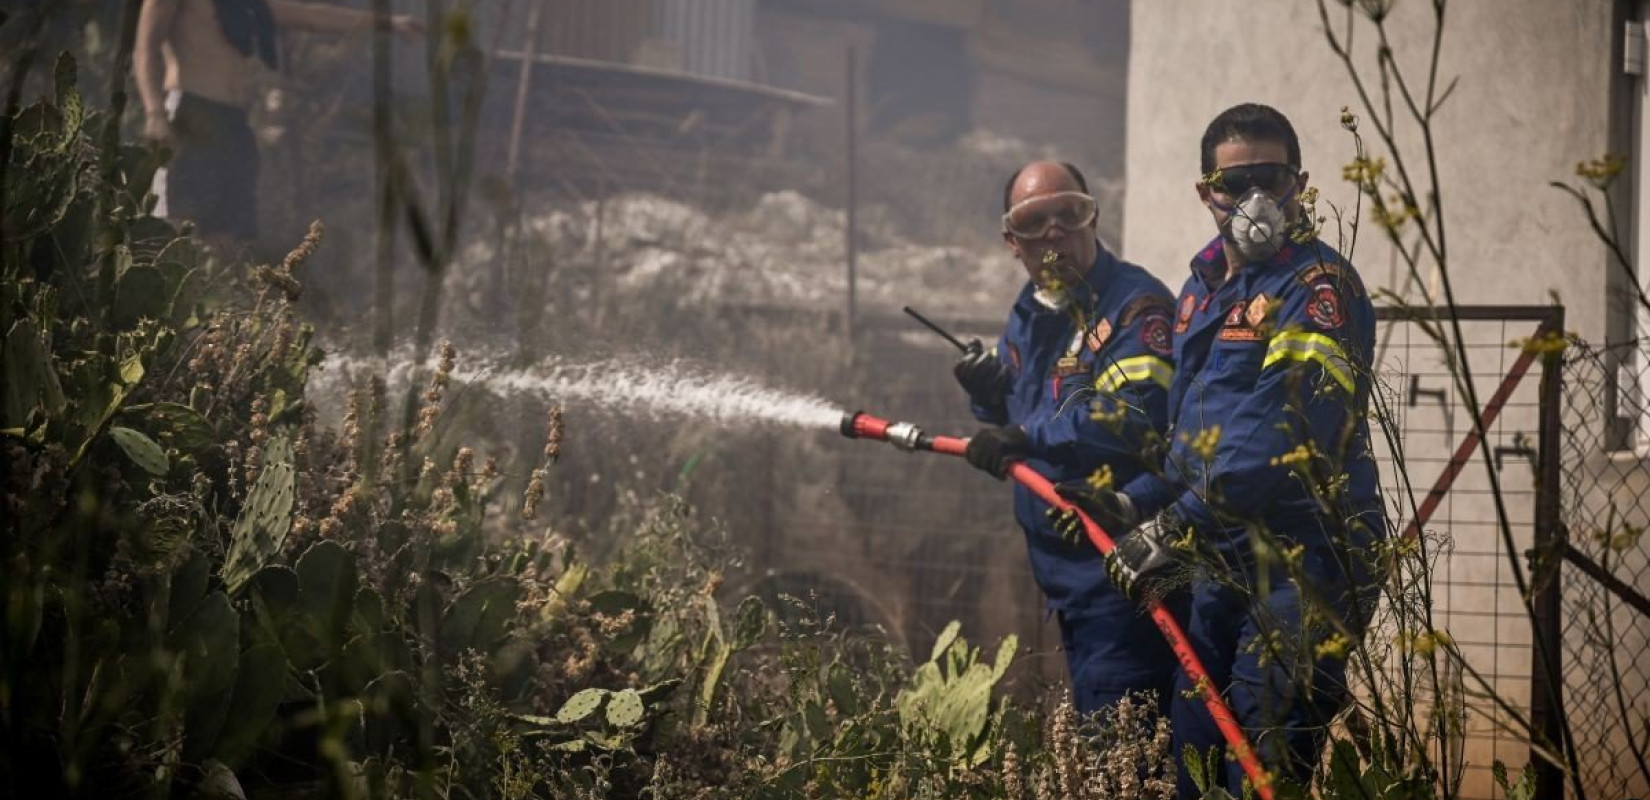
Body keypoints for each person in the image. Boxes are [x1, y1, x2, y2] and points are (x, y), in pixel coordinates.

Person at [1062, 103, 1385, 797]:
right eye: (1235, 184)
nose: (1255, 199)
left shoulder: (1317, 289)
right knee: (1197, 764)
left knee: (1260, 772)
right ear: (1206, 191)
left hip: (1305, 569)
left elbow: (1286, 437)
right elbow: (1197, 444)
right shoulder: (1199, 293)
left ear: (1300, 182)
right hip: (1221, 563)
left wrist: (1173, 528)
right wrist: (1132, 502)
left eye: (1270, 178)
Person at [956, 160, 1179, 716]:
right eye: (1035, 222)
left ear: (1093, 218)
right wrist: (988, 396)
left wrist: (1024, 434)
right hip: (1064, 581)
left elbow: (1130, 416)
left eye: (1069, 214)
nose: (1054, 232)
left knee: (1119, 750)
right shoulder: (1031, 312)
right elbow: (1023, 406)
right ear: (1012, 241)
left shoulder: (1136, 307)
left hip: (1123, 572)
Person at [134, 0, 422, 241]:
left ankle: (225, 307)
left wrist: (390, 23)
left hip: (233, 122)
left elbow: (310, 16)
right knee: (181, 225)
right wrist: (155, 113)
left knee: (231, 236)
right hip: (191, 113)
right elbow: (145, 48)